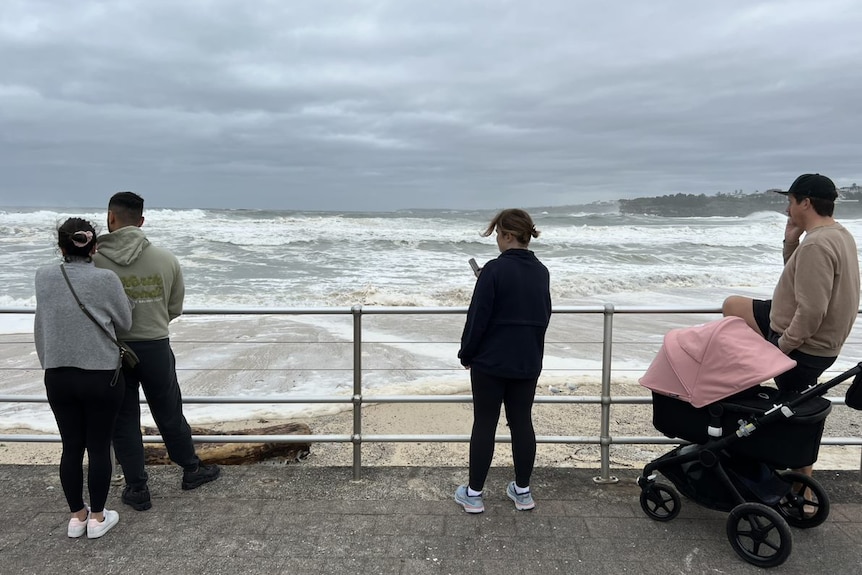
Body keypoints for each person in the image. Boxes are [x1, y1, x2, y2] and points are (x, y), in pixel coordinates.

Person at [723, 173, 860, 476]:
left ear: (806, 202)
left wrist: (779, 349)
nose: (787, 209)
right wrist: (790, 240)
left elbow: (812, 311)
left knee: (795, 417)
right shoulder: (837, 235)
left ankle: (803, 492)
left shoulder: (817, 245)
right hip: (817, 338)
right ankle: (748, 376)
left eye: (790, 201)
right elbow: (802, 278)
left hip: (804, 345)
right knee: (734, 307)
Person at [93, 192, 220, 511]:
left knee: (123, 419)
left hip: (112, 349)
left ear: (111, 217)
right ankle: (191, 470)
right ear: (142, 221)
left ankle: (137, 488)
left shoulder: (94, 262)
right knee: (168, 410)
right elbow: (174, 308)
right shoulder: (166, 259)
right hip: (155, 346)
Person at [35, 218, 133, 538]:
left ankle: (77, 517)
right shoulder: (107, 278)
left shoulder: (44, 276)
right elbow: (124, 322)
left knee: (71, 446)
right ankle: (98, 518)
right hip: (101, 376)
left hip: (58, 374)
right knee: (99, 447)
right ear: (95, 247)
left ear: (61, 246)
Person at [454, 209, 551, 513]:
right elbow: (543, 315)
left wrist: (466, 354)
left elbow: (477, 318)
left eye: (498, 234)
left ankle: (474, 494)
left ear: (508, 235)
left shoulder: (493, 271)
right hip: (527, 360)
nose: (497, 239)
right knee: (522, 423)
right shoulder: (541, 270)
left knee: (485, 422)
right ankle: (522, 492)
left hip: (490, 362)